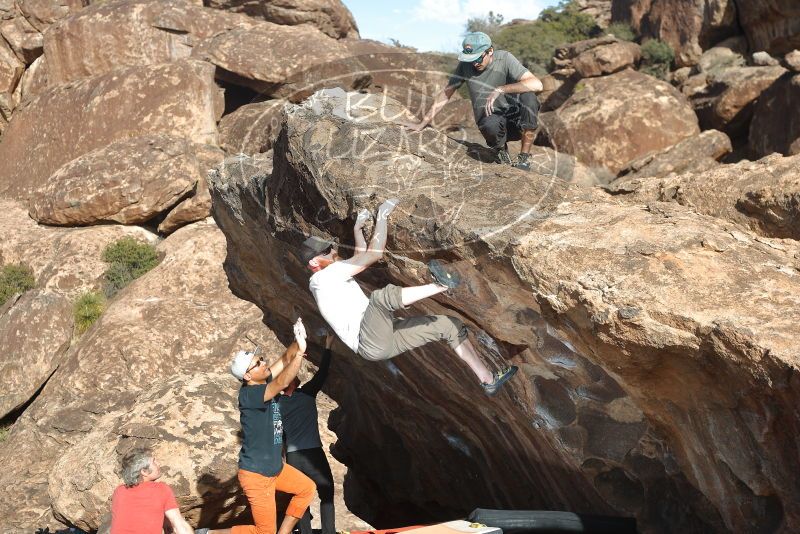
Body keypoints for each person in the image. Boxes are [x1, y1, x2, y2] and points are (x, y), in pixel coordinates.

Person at [302, 199, 517, 397]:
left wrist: (358, 229)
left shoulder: (327, 278)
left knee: (447, 325)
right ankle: (441, 285)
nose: (332, 252)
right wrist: (383, 215)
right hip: (368, 339)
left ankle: (488, 380)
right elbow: (373, 256)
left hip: (380, 340)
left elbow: (360, 257)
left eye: (329, 247)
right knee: (380, 298)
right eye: (326, 251)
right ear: (314, 263)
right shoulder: (323, 278)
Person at [401, 31, 543, 171]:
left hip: (516, 122)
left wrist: (501, 89)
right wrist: (421, 124)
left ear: (490, 51)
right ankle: (500, 150)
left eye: (478, 58)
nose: (475, 63)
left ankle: (524, 158)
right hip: (492, 124)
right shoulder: (465, 66)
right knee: (490, 125)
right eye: (471, 60)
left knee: (529, 97)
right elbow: (446, 94)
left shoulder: (505, 59)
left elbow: (537, 84)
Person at [228, 318, 316, 534]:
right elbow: (283, 382)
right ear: (247, 376)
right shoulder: (250, 395)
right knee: (263, 532)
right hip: (257, 475)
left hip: (275, 469)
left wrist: (299, 341)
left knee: (306, 489)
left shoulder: (263, 382)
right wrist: (300, 354)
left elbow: (284, 359)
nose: (264, 363)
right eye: (258, 364)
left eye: (261, 359)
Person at [278, 332, 336, 534]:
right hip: (313, 453)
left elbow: (280, 433)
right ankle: (329, 532)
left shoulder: (276, 404)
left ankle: (305, 533)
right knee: (326, 492)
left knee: (300, 496)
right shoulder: (307, 393)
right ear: (295, 382)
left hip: (294, 456)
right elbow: (323, 372)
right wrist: (328, 346)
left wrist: (283, 454)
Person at [110, 447, 228, 534]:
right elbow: (179, 525)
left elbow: (141, 514)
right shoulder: (160, 489)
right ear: (144, 472)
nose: (158, 463)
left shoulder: (119, 492)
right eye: (154, 462)